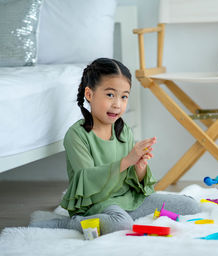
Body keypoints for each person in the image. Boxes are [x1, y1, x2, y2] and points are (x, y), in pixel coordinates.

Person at [30, 58, 200, 235]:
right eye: (110, 95)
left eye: (124, 96)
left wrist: (139, 168)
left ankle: (122, 216)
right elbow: (86, 180)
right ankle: (65, 224)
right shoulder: (76, 135)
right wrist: (126, 161)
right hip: (96, 203)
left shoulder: (123, 130)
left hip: (127, 199)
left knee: (190, 206)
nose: (117, 104)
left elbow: (132, 180)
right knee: (119, 225)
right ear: (89, 94)